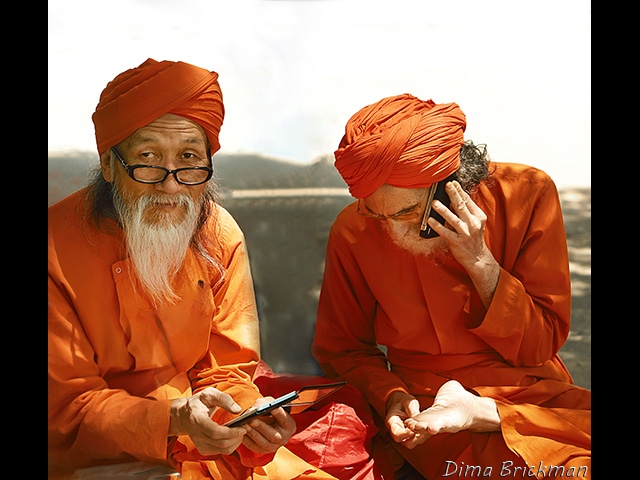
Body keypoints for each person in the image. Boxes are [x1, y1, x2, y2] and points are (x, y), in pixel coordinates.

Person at [48, 58, 380, 480]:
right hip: (100, 454)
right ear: (110, 165)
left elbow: (229, 367)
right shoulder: (54, 249)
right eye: (147, 158)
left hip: (205, 438)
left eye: (189, 158)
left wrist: (244, 414)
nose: (171, 183)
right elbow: (66, 409)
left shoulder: (218, 233)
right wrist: (173, 419)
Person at [311, 94, 591, 479]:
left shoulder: (528, 193)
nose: (392, 231)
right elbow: (342, 349)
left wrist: (481, 262)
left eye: (407, 213)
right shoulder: (353, 228)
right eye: (379, 214)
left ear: (451, 187)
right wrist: (390, 396)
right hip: (429, 406)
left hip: (530, 393)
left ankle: (485, 415)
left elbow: (539, 345)